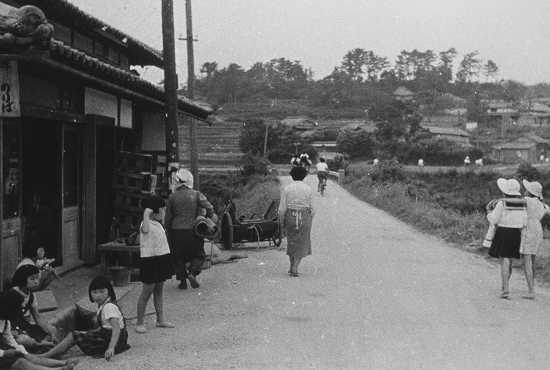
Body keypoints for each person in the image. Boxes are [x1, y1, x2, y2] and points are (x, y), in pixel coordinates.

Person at [40, 276, 130, 361]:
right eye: (95, 292)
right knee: (76, 314)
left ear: (109, 291)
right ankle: (54, 341)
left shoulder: (109, 307)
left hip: (113, 341)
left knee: (74, 335)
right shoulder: (104, 304)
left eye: (102, 292)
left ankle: (45, 356)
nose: (98, 295)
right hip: (110, 336)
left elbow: (116, 329)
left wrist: (111, 348)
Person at [165, 168, 217, 290]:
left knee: (178, 257)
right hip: (193, 231)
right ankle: (192, 273)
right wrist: (207, 217)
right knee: (198, 254)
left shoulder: (172, 197)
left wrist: (167, 230)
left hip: (176, 232)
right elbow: (210, 207)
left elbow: (168, 218)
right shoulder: (196, 194)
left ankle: (182, 282)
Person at [0, 291, 78, 370]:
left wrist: (19, 350)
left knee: (26, 356)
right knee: (20, 363)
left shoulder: (6, 322)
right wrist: (4, 353)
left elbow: (9, 339)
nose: (22, 308)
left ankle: (63, 363)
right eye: (19, 306)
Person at [135, 196, 175, 334]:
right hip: (150, 261)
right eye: (162, 209)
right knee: (147, 291)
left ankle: (160, 319)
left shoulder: (158, 224)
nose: (164, 211)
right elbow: (145, 231)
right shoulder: (144, 224)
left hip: (161, 258)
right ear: (153, 211)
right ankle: (140, 322)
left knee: (159, 290)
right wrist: (146, 214)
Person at [487, 178, 527, 299]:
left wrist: (488, 212)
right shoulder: (523, 203)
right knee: (509, 260)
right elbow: (524, 221)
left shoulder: (502, 203)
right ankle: (505, 285)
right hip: (516, 233)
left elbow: (494, 220)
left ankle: (505, 289)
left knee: (504, 260)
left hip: (503, 232)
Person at [5, 265, 56, 351]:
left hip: (23, 325)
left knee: (51, 330)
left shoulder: (31, 295)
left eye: (37, 278)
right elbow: (4, 318)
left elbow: (38, 317)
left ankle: (40, 345)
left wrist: (50, 331)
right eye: (32, 279)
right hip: (10, 329)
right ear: (23, 280)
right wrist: (13, 332)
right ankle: (39, 346)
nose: (36, 282)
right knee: (24, 340)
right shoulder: (12, 294)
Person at [278, 166, 315, 277]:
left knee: (292, 241)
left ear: (292, 175)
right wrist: (310, 220)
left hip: (290, 216)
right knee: (302, 242)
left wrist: (281, 222)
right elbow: (313, 209)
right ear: (304, 176)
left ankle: (291, 265)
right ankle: (295, 267)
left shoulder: (287, 188)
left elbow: (281, 209)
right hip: (304, 216)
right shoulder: (308, 189)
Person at [520, 180, 549, 299]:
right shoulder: (542, 204)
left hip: (529, 228)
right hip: (538, 228)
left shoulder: (527, 201)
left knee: (526, 260)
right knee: (532, 259)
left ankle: (531, 291)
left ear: (529, 192)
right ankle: (531, 288)